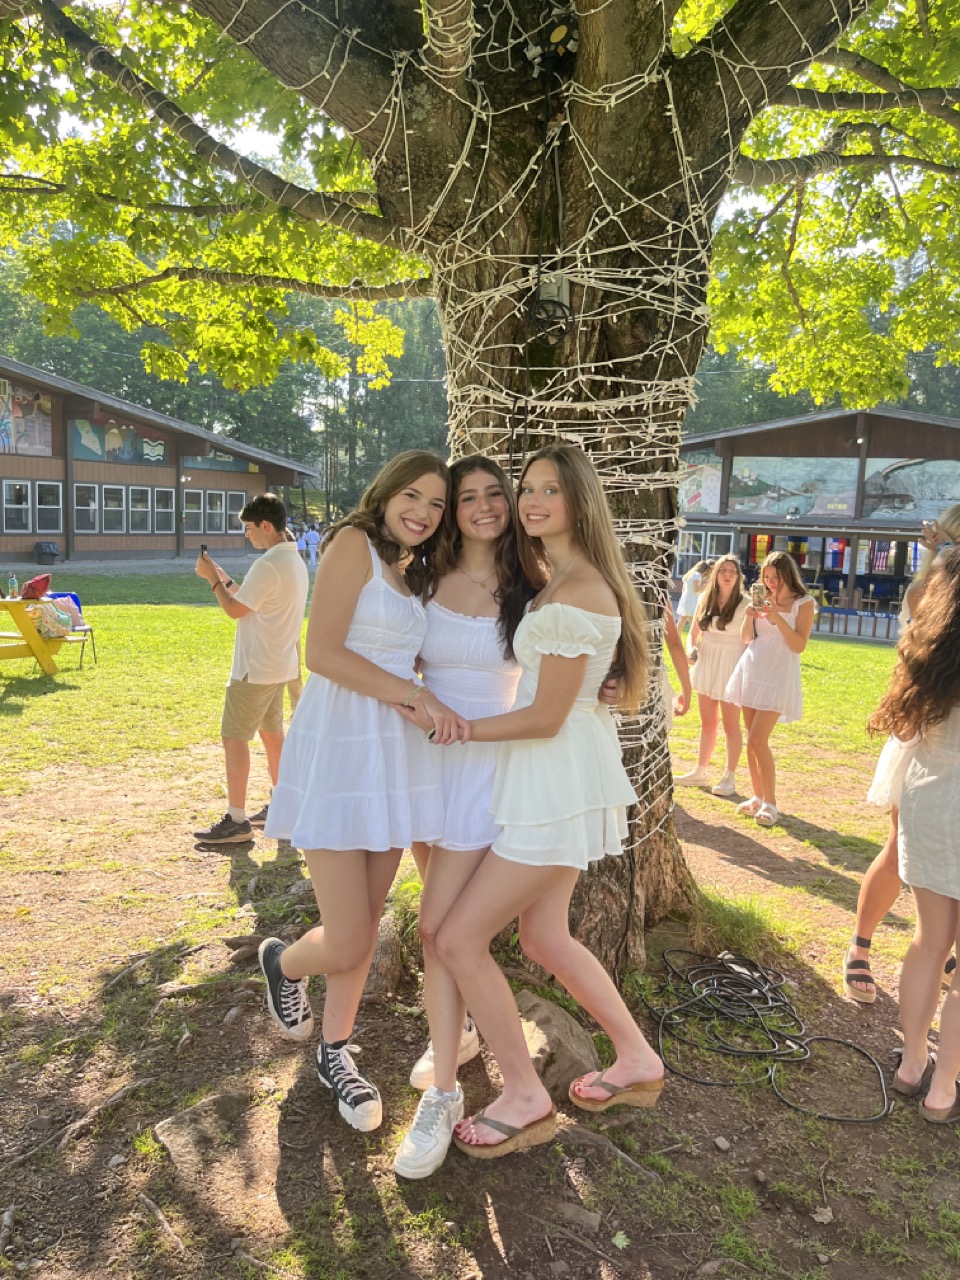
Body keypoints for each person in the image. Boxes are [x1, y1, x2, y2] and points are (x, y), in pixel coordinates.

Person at [402, 443, 664, 1162]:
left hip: (552, 781)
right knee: (545, 940)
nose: (532, 501)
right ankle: (636, 1057)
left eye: (550, 489)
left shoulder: (577, 591)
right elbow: (570, 690)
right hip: (555, 773)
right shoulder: (556, 580)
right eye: (530, 490)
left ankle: (523, 1093)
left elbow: (548, 715)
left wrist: (460, 728)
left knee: (456, 938)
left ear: (580, 500)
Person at [256, 451, 464, 1134]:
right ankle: (283, 963)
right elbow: (322, 653)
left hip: (393, 757)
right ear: (385, 492)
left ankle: (335, 1052)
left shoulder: (414, 572)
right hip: (339, 749)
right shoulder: (352, 543)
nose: (423, 513)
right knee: (347, 939)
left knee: (368, 921)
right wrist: (413, 692)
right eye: (413, 496)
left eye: (436, 506)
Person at [393, 456, 544, 1178]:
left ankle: (448, 1094)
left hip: (489, 767)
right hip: (429, 762)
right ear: (452, 509)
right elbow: (390, 661)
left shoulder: (532, 583)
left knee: (439, 929)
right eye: (468, 497)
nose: (483, 507)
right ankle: (452, 1042)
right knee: (438, 930)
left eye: (495, 495)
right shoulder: (422, 576)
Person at [844, 511, 960, 1003]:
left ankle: (939, 951)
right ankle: (860, 945)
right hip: (924, 740)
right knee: (898, 850)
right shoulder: (924, 594)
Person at [868, 549, 960, 1121]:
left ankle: (910, 1065)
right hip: (939, 796)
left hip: (930, 798)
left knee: (930, 941)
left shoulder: (926, 648)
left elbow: (904, 727)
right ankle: (944, 1089)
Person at [193, 494, 309, 843]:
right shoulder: (293, 560)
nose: (247, 535)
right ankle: (283, 805)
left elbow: (236, 611)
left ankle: (236, 819)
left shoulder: (269, 564)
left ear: (265, 526)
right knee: (272, 735)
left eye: (248, 528)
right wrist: (226, 580)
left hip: (255, 667)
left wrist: (213, 581)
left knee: (234, 738)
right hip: (279, 664)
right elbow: (251, 601)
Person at [723, 550, 815, 827]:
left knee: (757, 740)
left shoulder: (804, 603)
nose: (771, 583)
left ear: (788, 575)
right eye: (766, 577)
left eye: (775, 577)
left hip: (778, 675)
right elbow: (746, 638)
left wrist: (777, 618)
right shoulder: (762, 600)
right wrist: (749, 616)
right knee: (751, 740)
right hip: (752, 670)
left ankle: (771, 803)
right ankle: (758, 795)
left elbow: (799, 645)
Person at [675, 556, 747, 796]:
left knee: (730, 725)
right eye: (723, 570)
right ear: (715, 574)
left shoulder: (746, 604)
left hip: (731, 661)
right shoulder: (705, 599)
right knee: (708, 722)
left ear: (738, 577)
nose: (727, 575)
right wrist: (691, 649)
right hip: (707, 659)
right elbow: (693, 633)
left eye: (732, 571)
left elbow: (751, 639)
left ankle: (729, 776)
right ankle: (700, 770)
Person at [676, 559, 710, 637]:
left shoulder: (692, 574)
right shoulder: (697, 575)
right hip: (691, 600)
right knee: (693, 623)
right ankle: (695, 639)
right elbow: (697, 589)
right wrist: (706, 585)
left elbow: (686, 588)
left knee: (682, 622)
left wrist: (703, 582)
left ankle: (679, 639)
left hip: (687, 598)